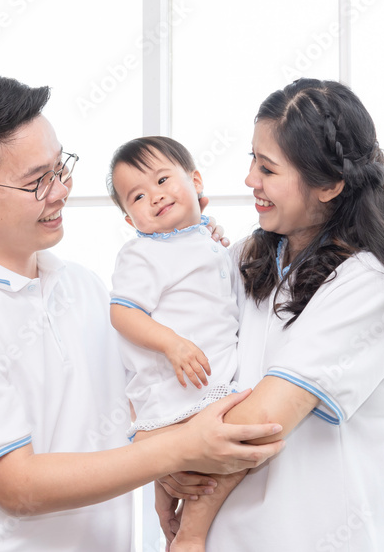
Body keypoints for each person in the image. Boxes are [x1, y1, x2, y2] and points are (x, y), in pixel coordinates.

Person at [0, 74, 285, 552]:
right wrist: (182, 448)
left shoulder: (81, 286)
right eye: (37, 181)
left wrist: (170, 470)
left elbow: (131, 411)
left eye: (61, 167)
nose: (61, 190)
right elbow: (19, 487)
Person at [158, 78, 384, 551]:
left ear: (329, 185)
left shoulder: (367, 284)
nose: (250, 180)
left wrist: (168, 463)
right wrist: (163, 470)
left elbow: (261, 422)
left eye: (268, 168)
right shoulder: (245, 255)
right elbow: (172, 349)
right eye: (252, 159)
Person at [106, 135, 243, 552]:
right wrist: (172, 344)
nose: (156, 196)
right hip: (179, 383)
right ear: (132, 220)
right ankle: (190, 536)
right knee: (218, 462)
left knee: (191, 465)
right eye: (138, 196)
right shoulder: (143, 255)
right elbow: (123, 313)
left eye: (164, 179)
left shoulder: (206, 239)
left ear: (196, 180)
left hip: (206, 376)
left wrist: (210, 232)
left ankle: (172, 517)